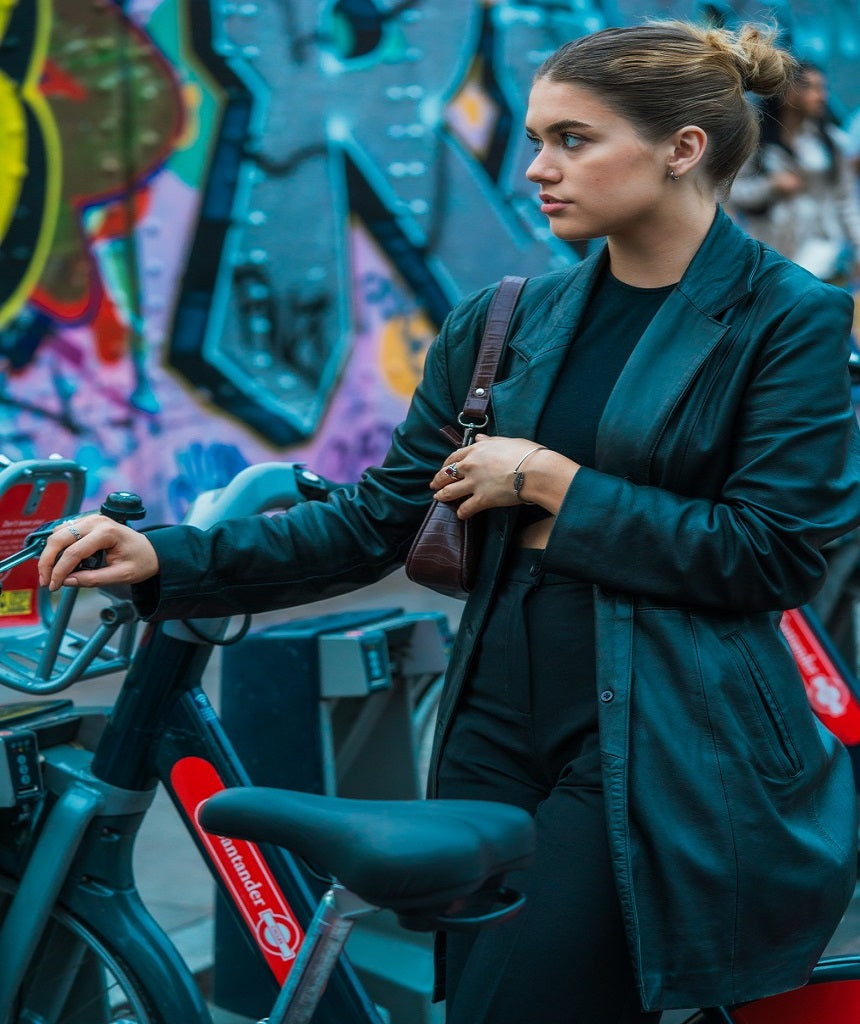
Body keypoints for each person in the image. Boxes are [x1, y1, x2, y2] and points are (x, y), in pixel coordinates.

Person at [38, 20, 860, 1024]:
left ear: (680, 148)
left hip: (662, 746)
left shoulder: (788, 319)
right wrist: (166, 555)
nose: (534, 169)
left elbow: (769, 555)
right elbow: (377, 520)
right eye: (533, 139)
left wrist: (556, 486)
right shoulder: (504, 320)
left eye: (571, 139)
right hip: (490, 735)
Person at [729, 61, 860, 284]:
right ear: (788, 91)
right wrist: (771, 186)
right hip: (770, 257)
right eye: (811, 88)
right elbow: (733, 194)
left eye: (823, 88)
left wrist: (858, 248)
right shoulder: (756, 143)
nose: (821, 96)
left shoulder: (831, 142)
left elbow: (845, 201)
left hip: (823, 258)